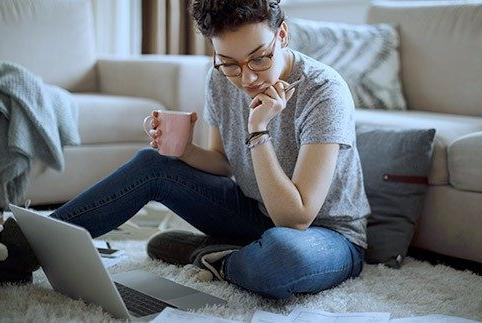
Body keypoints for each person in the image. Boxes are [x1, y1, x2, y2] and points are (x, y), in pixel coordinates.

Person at [0, 0, 371, 299]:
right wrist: (179, 149)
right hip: (253, 212)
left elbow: (297, 217)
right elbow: (223, 164)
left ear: (283, 35)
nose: (248, 78)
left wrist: (258, 132)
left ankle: (207, 254)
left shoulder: (323, 91)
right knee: (152, 163)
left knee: (281, 259)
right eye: (229, 64)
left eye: (260, 58)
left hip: (327, 235)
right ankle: (20, 249)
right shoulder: (220, 78)